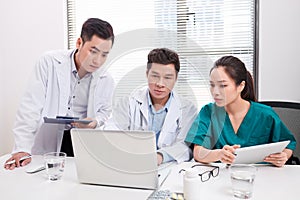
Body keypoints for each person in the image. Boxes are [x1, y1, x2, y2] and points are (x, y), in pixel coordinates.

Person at [4, 18, 115, 170]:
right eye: (93, 51)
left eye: (104, 55)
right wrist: (22, 148)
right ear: (79, 43)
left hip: (80, 142)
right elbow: (30, 107)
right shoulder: (49, 62)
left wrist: (95, 122)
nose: (97, 60)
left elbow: (105, 112)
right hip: (48, 139)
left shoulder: (106, 79)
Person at [185, 55, 296, 167]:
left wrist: (284, 156)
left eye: (223, 85)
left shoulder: (265, 114)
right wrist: (219, 154)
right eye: (212, 85)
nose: (215, 92)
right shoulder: (208, 112)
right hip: (221, 176)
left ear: (241, 86)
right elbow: (198, 153)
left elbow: (288, 143)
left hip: (260, 176)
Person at [106, 48, 198, 165]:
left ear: (176, 78)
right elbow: (112, 132)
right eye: (155, 76)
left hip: (168, 166)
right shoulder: (128, 103)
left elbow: (185, 146)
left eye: (167, 77)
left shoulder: (187, 109)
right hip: (131, 163)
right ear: (147, 74)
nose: (160, 84)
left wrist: (159, 156)